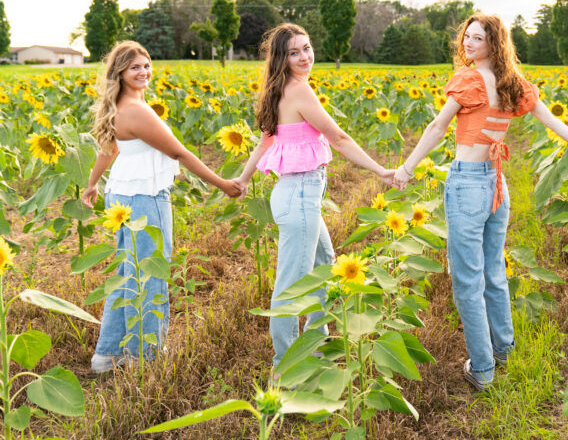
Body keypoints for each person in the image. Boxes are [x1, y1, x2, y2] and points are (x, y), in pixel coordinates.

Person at [393, 14, 568, 391]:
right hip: (496, 184)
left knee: (468, 281)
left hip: (470, 184)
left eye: (477, 39)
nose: (469, 44)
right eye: (466, 37)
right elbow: (550, 119)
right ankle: (504, 350)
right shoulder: (512, 83)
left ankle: (484, 369)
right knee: (493, 272)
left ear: (493, 44)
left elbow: (438, 127)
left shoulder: (469, 80)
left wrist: (407, 167)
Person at [236, 23, 396, 368]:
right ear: (282, 57)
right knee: (292, 285)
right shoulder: (298, 92)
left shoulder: (278, 89)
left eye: (307, 48)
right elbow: (338, 138)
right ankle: (287, 363)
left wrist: (245, 178)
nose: (305, 57)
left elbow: (266, 140)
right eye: (294, 52)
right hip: (300, 194)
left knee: (326, 266)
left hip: (295, 193)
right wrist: (380, 170)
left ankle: (317, 343)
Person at [82, 41, 242, 373]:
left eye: (146, 65)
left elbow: (109, 151)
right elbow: (180, 153)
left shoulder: (123, 104)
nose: (143, 72)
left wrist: (93, 183)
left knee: (128, 271)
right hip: (145, 197)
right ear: (121, 73)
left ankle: (107, 355)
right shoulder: (136, 110)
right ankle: (145, 356)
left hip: (122, 194)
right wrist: (223, 184)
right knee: (151, 274)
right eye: (134, 67)